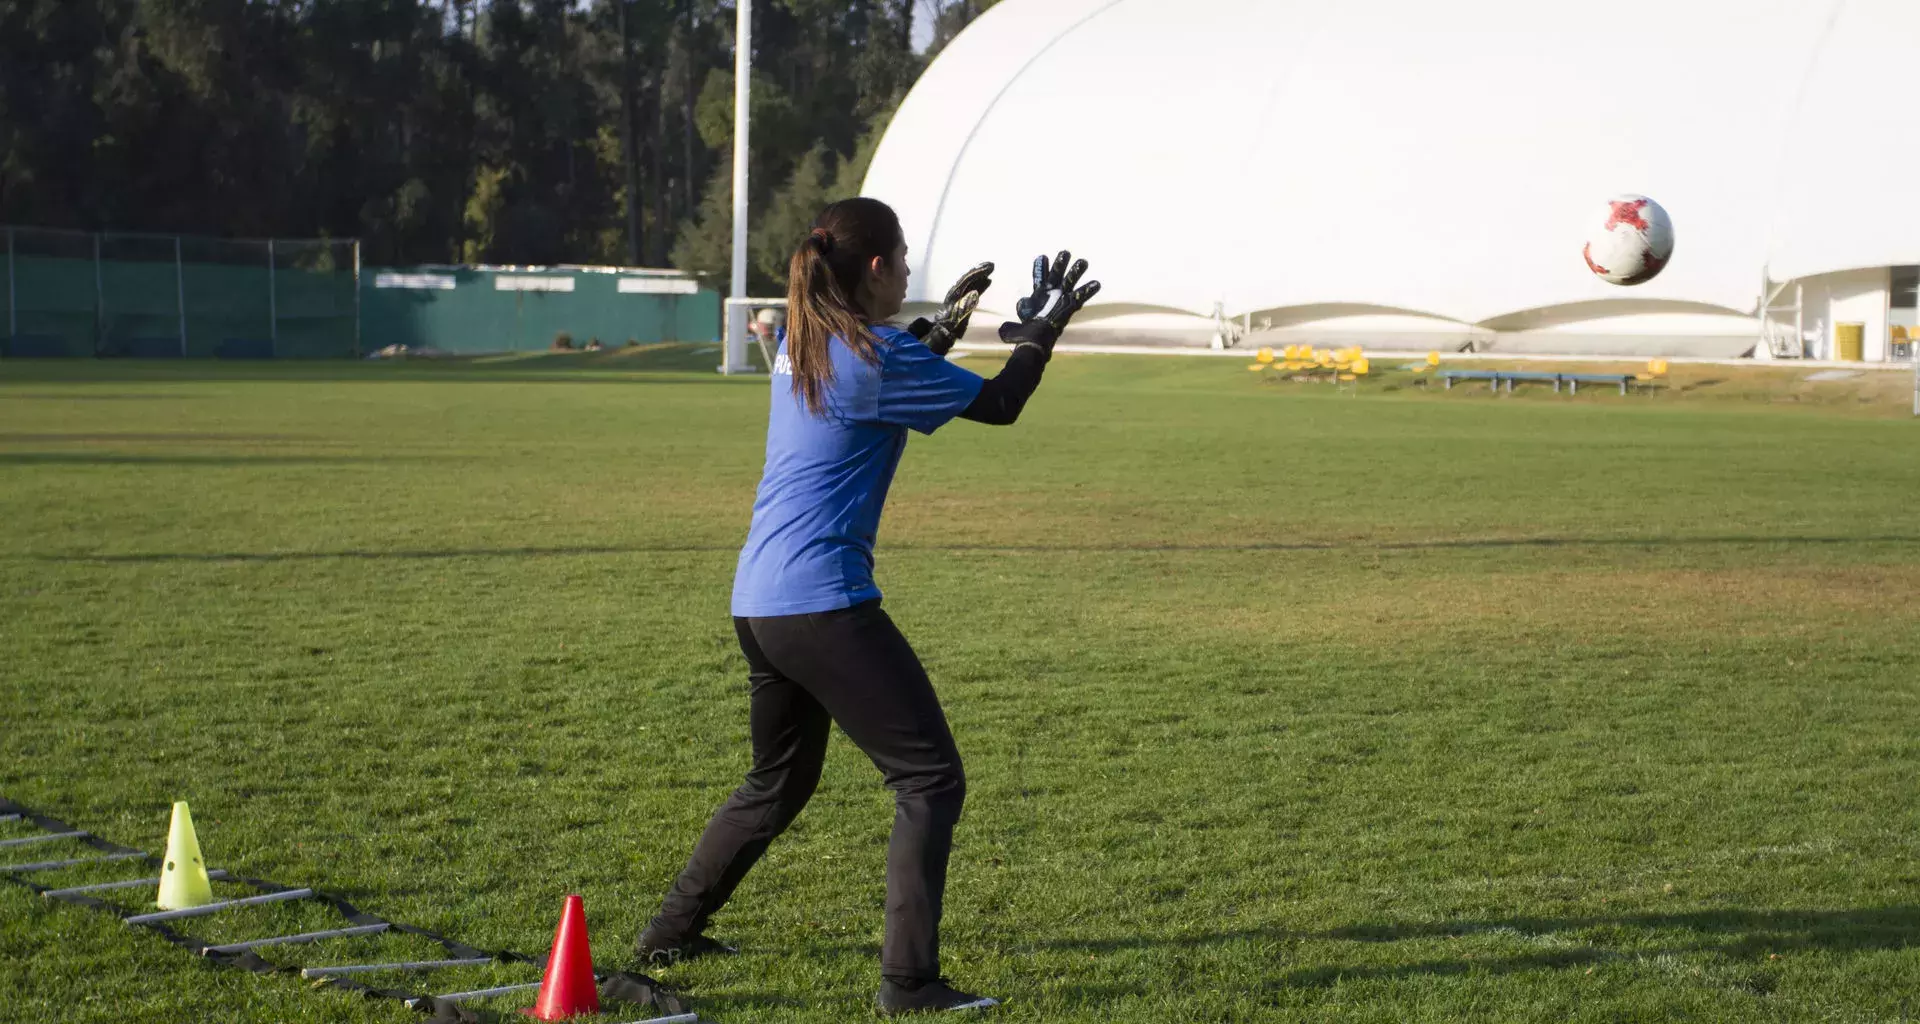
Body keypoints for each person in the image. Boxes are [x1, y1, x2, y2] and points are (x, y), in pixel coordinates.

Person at [633, 196, 1098, 1016]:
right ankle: (909, 984)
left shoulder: (804, 344)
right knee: (930, 780)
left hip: (759, 603)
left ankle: (669, 933)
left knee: (777, 781)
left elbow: (880, 382)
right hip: (824, 604)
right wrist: (1041, 332)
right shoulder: (874, 353)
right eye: (906, 259)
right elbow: (998, 404)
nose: (914, 272)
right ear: (877, 268)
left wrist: (943, 334)